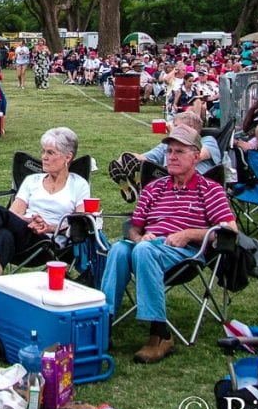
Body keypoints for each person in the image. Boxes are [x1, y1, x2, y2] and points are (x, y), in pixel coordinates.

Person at [101, 125, 237, 364]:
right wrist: (139, 237)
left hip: (185, 254)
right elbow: (134, 226)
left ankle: (160, 334)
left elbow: (229, 231)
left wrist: (190, 234)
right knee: (119, 249)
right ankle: (103, 325)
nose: (171, 157)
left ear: (196, 156)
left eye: (179, 152)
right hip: (149, 246)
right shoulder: (154, 188)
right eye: (169, 151)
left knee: (142, 251)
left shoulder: (210, 190)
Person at [0, 127, 89, 292]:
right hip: (25, 230)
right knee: (1, 226)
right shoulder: (32, 180)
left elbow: (80, 223)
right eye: (43, 151)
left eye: (50, 153)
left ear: (68, 157)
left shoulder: (78, 184)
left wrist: (48, 226)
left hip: (48, 242)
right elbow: (14, 214)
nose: (43, 157)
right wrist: (32, 221)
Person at [108, 110, 221, 187]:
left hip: (196, 182)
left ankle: (141, 185)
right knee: (144, 166)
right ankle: (135, 184)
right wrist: (125, 158)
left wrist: (175, 136)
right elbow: (146, 157)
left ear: (191, 128)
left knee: (156, 176)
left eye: (176, 126)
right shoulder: (167, 145)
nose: (172, 128)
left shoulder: (207, 140)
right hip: (165, 179)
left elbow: (196, 157)